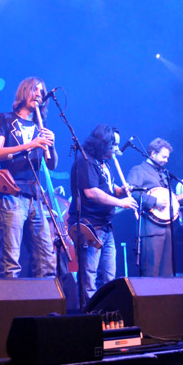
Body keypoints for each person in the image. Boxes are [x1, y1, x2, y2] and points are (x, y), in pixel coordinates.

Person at [0, 77, 57, 278]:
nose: (38, 94)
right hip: (12, 194)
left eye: (42, 92)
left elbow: (51, 165)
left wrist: (51, 143)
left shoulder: (40, 125)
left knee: (47, 259)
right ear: (24, 91)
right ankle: (11, 307)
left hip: (36, 198)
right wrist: (30, 145)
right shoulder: (6, 119)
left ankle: (46, 305)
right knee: (11, 261)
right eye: (34, 90)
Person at [69, 124, 138, 304]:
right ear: (102, 143)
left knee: (109, 276)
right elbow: (91, 192)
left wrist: (121, 191)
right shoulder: (85, 161)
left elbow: (106, 188)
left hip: (105, 227)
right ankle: (89, 318)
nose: (116, 149)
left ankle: (106, 315)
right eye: (113, 145)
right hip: (90, 226)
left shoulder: (104, 163)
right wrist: (120, 203)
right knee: (89, 277)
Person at [127, 137, 174, 277]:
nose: (166, 160)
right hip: (150, 228)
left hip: (166, 228)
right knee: (151, 272)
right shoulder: (138, 170)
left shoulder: (163, 174)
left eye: (167, 157)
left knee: (166, 272)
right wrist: (154, 201)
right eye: (163, 156)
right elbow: (132, 192)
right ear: (153, 154)